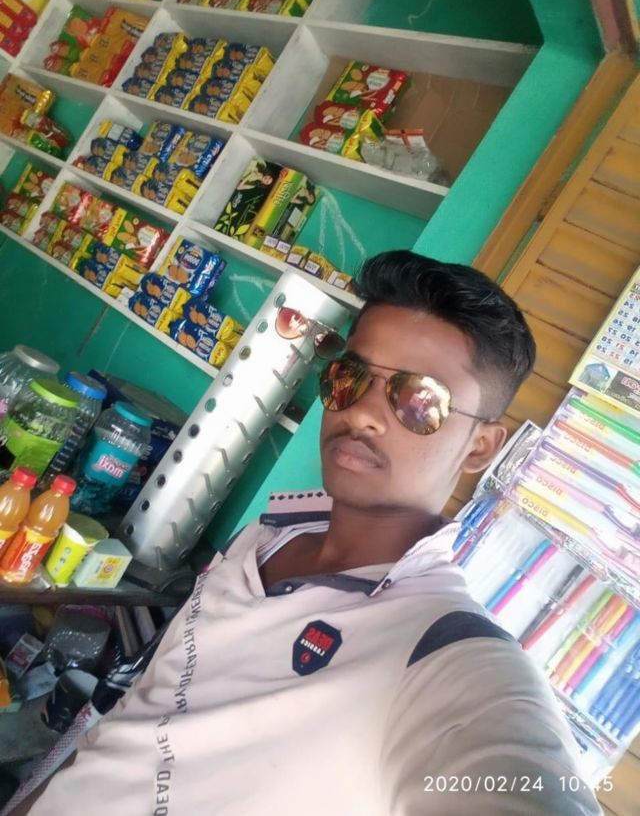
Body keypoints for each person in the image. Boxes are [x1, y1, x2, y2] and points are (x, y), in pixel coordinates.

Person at [24, 252, 601, 815]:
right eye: (352, 377)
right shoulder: (262, 538)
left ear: (480, 446)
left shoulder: (445, 655)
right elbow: (135, 718)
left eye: (418, 399)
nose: (363, 413)